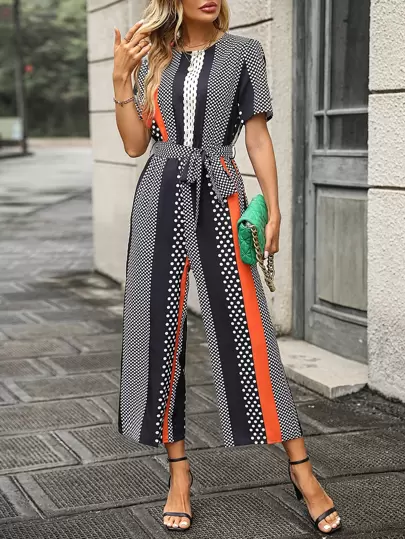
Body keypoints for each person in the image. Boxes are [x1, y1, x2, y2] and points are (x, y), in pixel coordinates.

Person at [113, 0, 342, 534]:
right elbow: (134, 144)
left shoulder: (244, 52)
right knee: (156, 333)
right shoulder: (152, 57)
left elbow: (257, 137)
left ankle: (302, 470)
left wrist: (274, 209)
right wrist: (122, 79)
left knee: (250, 328)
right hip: (159, 194)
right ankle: (179, 473)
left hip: (221, 193)